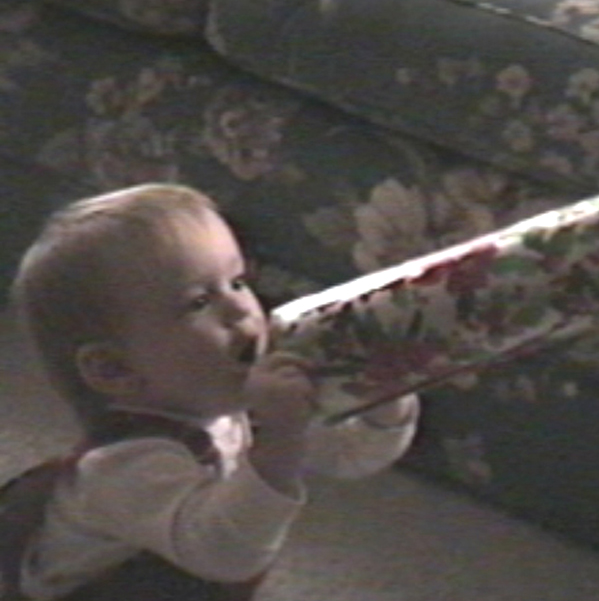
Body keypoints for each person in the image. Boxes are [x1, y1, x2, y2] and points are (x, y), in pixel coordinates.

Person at [6, 183, 419, 601]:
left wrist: (384, 395)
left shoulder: (230, 401)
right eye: (199, 301)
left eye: (237, 282)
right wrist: (281, 440)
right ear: (116, 370)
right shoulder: (123, 471)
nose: (242, 308)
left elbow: (346, 454)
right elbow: (227, 554)